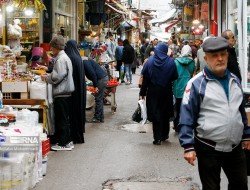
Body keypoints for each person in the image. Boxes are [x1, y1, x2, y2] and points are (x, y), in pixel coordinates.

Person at [178, 37, 250, 190]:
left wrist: (246, 135)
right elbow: (186, 116)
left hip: (235, 147)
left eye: (223, 54)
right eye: (214, 56)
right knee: (211, 187)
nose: (220, 59)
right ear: (206, 59)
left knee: (241, 185)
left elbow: (240, 110)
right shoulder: (196, 84)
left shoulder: (235, 80)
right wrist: (188, 146)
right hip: (208, 147)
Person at [139, 42, 178, 145]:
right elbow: (175, 76)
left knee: (156, 113)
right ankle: (165, 135)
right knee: (165, 113)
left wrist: (142, 93)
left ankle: (157, 138)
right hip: (166, 91)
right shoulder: (171, 62)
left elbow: (145, 79)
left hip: (153, 92)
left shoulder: (150, 62)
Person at [41, 35, 75, 151]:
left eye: (52, 47)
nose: (51, 50)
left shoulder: (61, 59)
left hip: (62, 93)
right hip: (65, 92)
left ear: (56, 47)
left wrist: (46, 77)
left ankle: (63, 143)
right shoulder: (64, 57)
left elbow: (57, 77)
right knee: (64, 118)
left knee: (62, 119)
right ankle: (67, 141)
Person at [64, 40, 85, 144]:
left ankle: (73, 136)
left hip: (73, 91)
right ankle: (77, 135)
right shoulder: (77, 57)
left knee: (72, 113)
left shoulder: (70, 58)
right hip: (79, 90)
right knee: (77, 112)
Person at [173, 45, 195, 132]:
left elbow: (174, 75)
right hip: (188, 89)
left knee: (177, 109)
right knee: (187, 109)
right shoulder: (192, 62)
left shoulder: (176, 62)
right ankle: (186, 125)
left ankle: (176, 125)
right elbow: (192, 72)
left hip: (177, 88)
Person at [83, 57, 108, 123]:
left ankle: (97, 117)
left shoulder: (84, 62)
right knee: (100, 98)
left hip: (101, 79)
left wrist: (96, 86)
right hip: (103, 78)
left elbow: (92, 73)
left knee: (98, 98)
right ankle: (101, 117)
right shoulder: (85, 60)